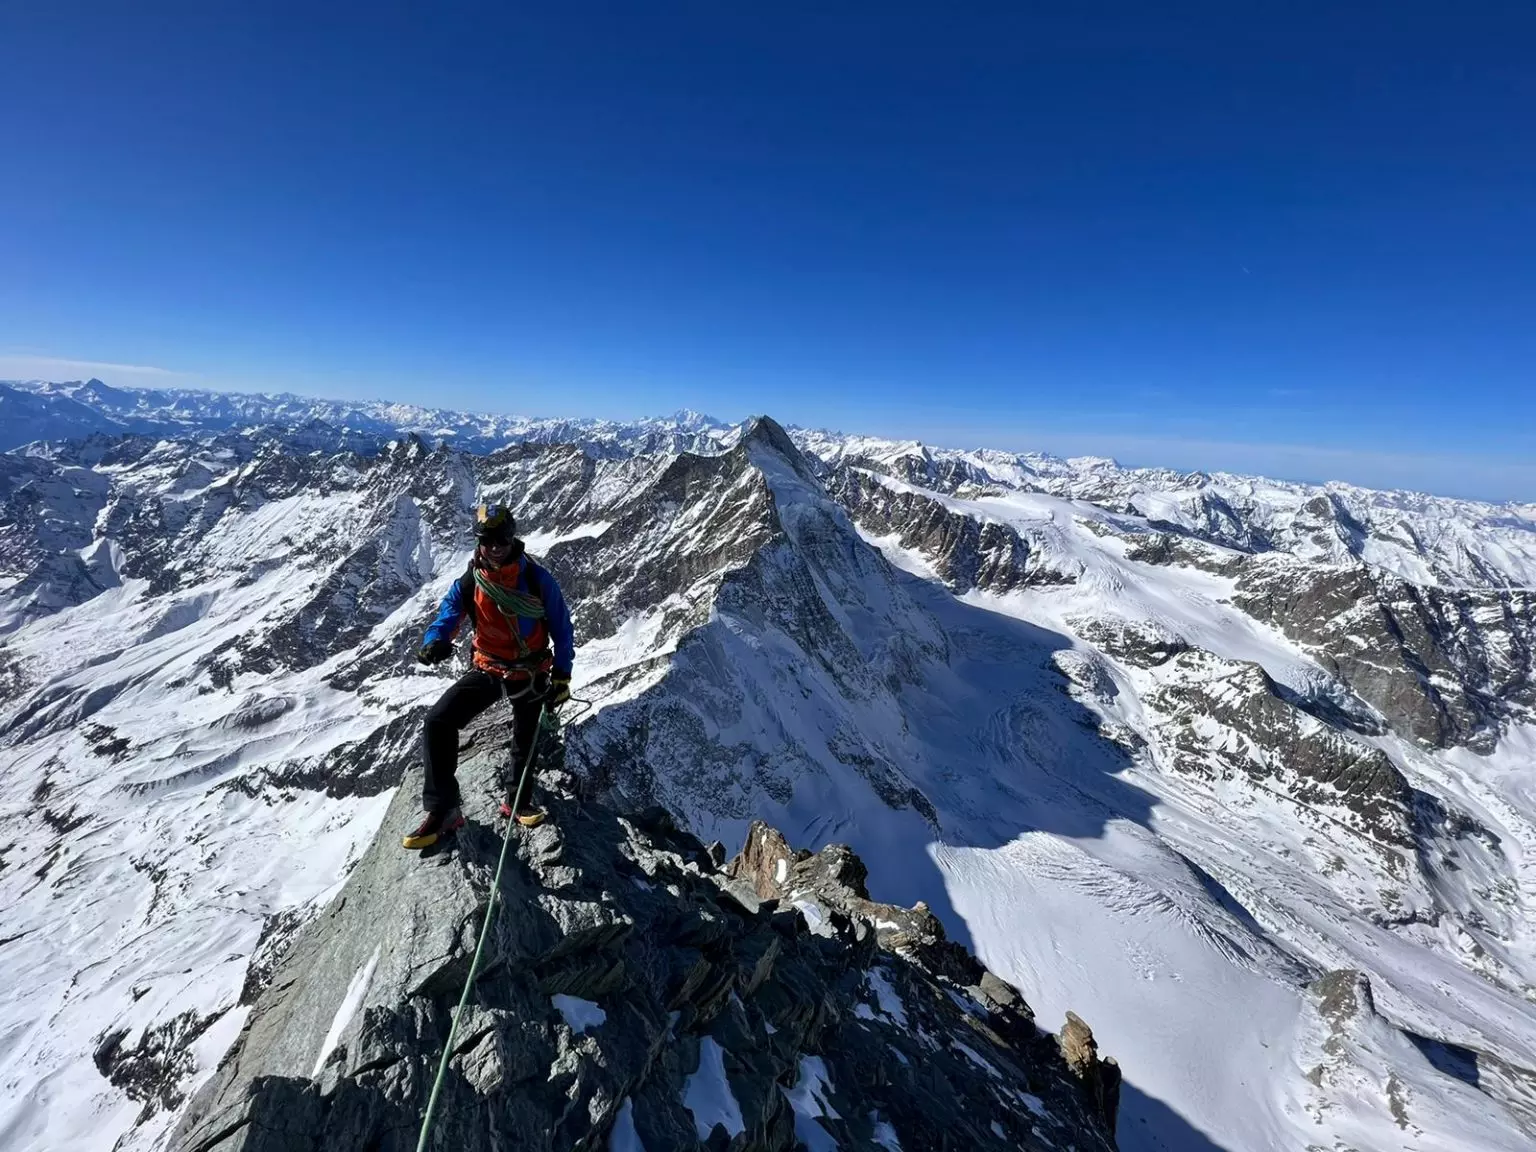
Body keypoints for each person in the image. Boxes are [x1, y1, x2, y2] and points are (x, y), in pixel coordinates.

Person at [403, 504, 574, 849]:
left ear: (512, 538)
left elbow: (562, 627)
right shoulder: (472, 581)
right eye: (487, 539)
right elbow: (449, 614)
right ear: (479, 541)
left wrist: (562, 675)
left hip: (531, 669)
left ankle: (517, 801)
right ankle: (444, 809)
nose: (495, 546)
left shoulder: (537, 580)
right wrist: (434, 641)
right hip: (490, 666)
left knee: (525, 737)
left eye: (501, 538)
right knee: (438, 721)